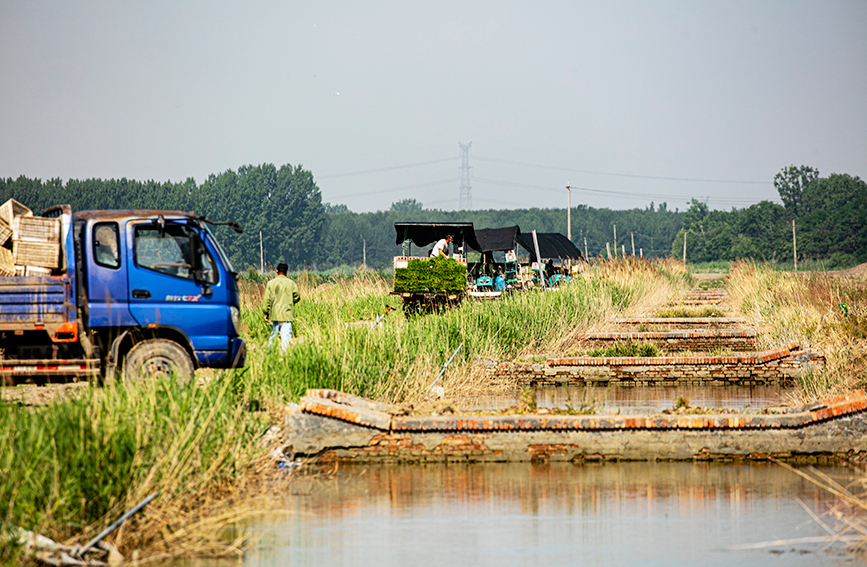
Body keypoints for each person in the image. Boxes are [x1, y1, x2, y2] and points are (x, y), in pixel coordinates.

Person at [262, 263, 301, 351]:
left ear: (276, 271)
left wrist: (266, 312)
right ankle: (285, 358)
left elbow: (267, 300)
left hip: (274, 314)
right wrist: (291, 302)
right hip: (287, 314)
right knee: (286, 338)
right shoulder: (291, 283)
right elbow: (297, 296)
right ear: (287, 271)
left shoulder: (271, 283)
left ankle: (270, 355)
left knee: (273, 336)